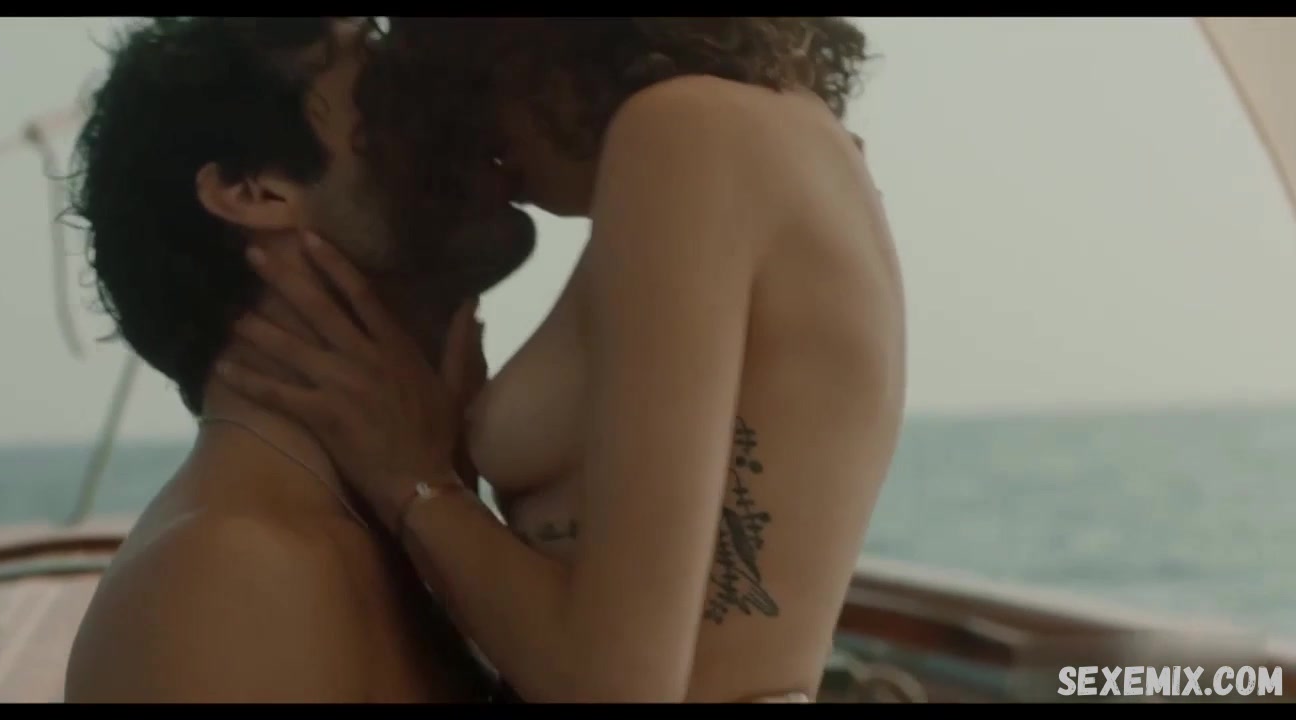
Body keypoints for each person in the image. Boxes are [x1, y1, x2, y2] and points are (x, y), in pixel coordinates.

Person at [217, 17, 904, 703]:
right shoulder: (784, 134)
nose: (476, 147)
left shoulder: (682, 131)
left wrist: (414, 478)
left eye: (471, 83)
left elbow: (616, 687)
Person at [62, 17, 532, 703]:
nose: (451, 100)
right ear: (256, 189)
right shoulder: (222, 575)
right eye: (379, 77)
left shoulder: (395, 530)